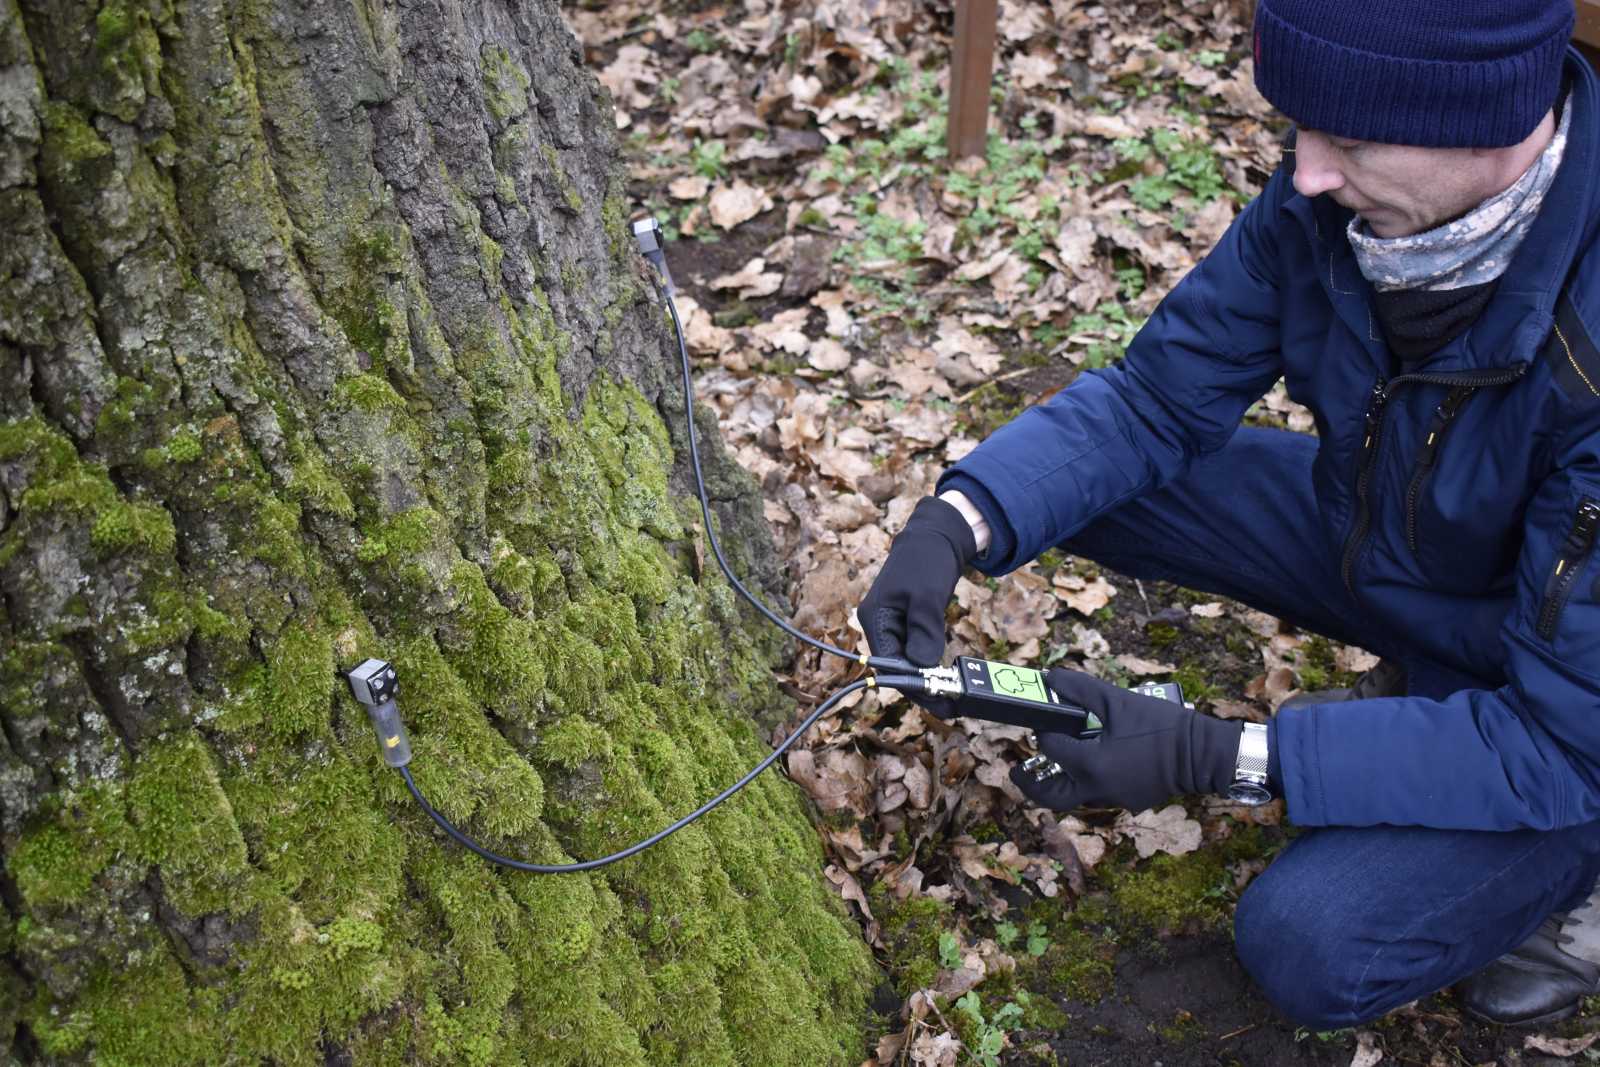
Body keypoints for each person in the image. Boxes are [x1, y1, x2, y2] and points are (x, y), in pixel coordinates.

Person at [856, 0, 1600, 1029]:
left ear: (1487, 118)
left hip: (1570, 725)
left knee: (1311, 943)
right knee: (1100, 476)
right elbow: (1155, 399)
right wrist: (955, 520)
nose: (1304, 172)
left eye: (1349, 140)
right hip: (1415, 550)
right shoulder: (1336, 205)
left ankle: (1573, 875)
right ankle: (1412, 714)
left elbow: (1562, 742)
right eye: (1298, 128)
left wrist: (1221, 755)